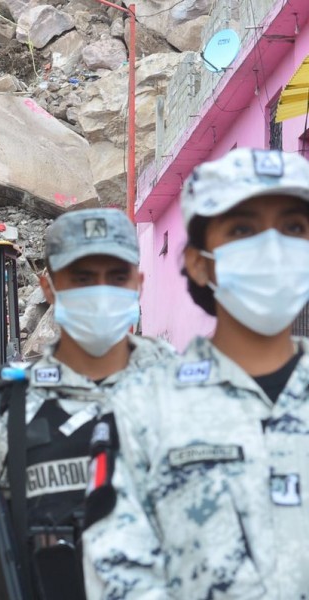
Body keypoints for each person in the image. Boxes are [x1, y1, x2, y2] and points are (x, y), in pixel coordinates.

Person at [0, 208, 173, 600]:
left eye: (116, 277)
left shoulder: (193, 396)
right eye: (81, 278)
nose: (99, 291)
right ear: (49, 287)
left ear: (139, 283)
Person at [82, 148, 309, 598]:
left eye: (294, 228)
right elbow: (117, 569)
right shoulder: (141, 408)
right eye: (243, 229)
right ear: (200, 262)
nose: (272, 248)